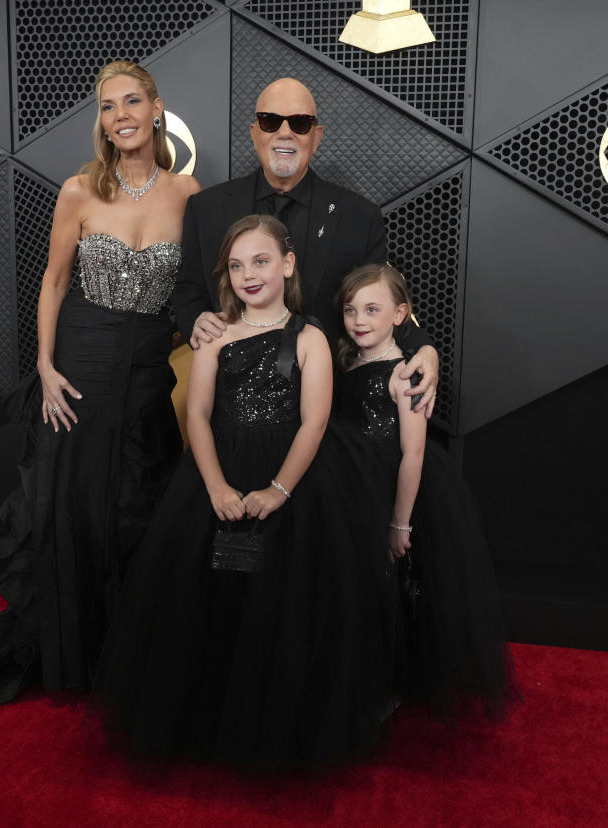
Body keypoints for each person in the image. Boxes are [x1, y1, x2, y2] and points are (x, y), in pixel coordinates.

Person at [0, 61, 200, 704]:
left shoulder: (189, 194)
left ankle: (125, 652)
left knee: (133, 514)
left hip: (145, 374)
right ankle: (74, 656)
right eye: (109, 107)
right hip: (79, 369)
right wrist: (46, 368)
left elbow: (192, 293)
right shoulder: (78, 191)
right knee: (75, 513)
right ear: (102, 121)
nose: (121, 116)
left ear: (157, 108)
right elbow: (54, 281)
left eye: (132, 101)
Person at [92, 215, 397, 770]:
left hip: (293, 480)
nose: (248, 275)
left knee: (286, 602)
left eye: (260, 261)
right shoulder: (215, 335)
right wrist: (214, 486)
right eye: (235, 266)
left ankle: (278, 721)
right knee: (208, 598)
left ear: (287, 264)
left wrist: (278, 490)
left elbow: (315, 422)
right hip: (215, 477)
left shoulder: (311, 338)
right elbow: (199, 415)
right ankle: (208, 717)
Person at [173, 77, 442, 416]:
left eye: (300, 124)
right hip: (232, 410)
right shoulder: (207, 208)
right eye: (271, 121)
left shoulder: (359, 217)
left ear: (316, 138)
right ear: (255, 132)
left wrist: (424, 347)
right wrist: (195, 319)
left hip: (330, 411)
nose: (285, 133)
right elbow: (188, 289)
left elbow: (379, 303)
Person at [333, 263, 513, 718]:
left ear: (400, 314)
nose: (359, 320)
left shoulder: (407, 373)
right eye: (351, 309)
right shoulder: (347, 359)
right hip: (351, 484)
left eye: (372, 309)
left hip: (396, 488)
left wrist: (399, 522)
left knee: (395, 582)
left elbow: (412, 453)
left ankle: (391, 682)